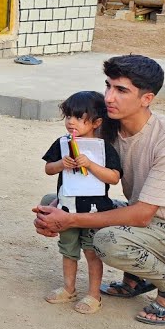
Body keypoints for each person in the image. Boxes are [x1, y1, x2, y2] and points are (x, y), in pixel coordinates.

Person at [33, 55, 165, 325]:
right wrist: (59, 208)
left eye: (121, 90)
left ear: (146, 98)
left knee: (108, 241)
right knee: (52, 201)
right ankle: (137, 276)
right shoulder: (109, 131)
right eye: (108, 86)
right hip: (142, 221)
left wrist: (70, 219)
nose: (109, 97)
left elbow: (141, 215)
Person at [40, 91, 122, 315]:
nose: (71, 122)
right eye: (68, 116)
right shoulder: (62, 144)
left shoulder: (103, 148)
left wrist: (91, 165)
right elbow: (48, 168)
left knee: (92, 252)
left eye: (78, 117)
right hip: (67, 207)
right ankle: (69, 289)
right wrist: (61, 164)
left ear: (96, 122)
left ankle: (94, 295)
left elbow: (114, 177)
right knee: (68, 250)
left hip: (95, 212)